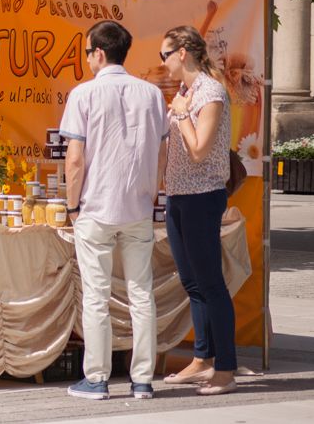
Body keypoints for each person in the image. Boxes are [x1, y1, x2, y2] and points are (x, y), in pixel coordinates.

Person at [60, 21, 168, 401]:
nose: (86, 58)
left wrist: (72, 205)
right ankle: (142, 379)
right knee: (142, 294)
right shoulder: (152, 94)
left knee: (96, 295)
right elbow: (163, 152)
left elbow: (75, 160)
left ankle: (98, 377)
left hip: (96, 206)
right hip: (138, 205)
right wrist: (152, 194)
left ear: (99, 53)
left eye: (87, 52)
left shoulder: (83, 94)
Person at [160, 25, 237, 395]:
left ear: (183, 54)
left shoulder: (209, 91)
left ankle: (225, 367)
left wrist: (181, 114)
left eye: (165, 55)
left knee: (211, 283)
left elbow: (200, 150)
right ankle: (203, 359)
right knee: (191, 282)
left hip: (202, 196)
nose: (162, 63)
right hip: (178, 195)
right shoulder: (187, 92)